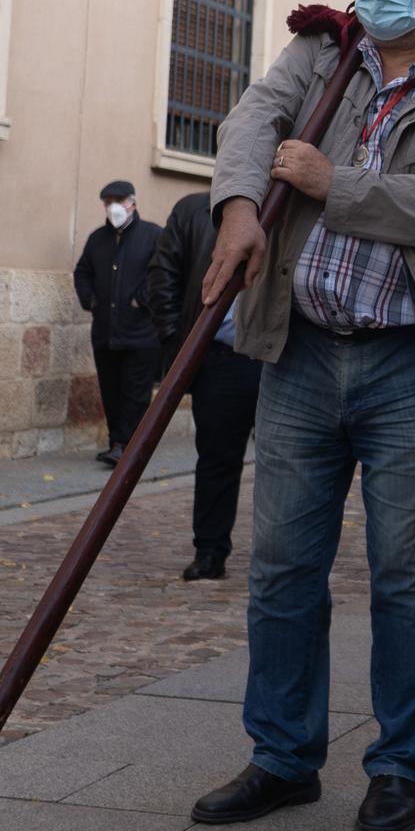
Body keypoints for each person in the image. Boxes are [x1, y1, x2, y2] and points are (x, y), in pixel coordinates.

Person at [191, 0, 415, 831]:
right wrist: (241, 205)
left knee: (410, 578)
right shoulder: (321, 54)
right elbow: (253, 121)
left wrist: (339, 186)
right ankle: (284, 757)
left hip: (411, 364)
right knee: (283, 567)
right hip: (300, 353)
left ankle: (399, 767)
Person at [149, 190, 263, 581]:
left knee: (289, 464)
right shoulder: (195, 210)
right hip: (221, 356)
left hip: (282, 357)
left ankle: (281, 559)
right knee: (216, 459)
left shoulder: (294, 208)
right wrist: (175, 340)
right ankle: (210, 551)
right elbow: (163, 274)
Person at [74, 180, 164, 468]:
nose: (114, 206)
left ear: (132, 203)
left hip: (140, 333)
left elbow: (163, 272)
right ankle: (117, 443)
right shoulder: (97, 239)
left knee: (135, 393)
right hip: (105, 333)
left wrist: (142, 300)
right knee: (111, 390)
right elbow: (82, 272)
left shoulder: (152, 235)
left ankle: (128, 446)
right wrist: (90, 300)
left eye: (119, 200)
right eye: (108, 201)